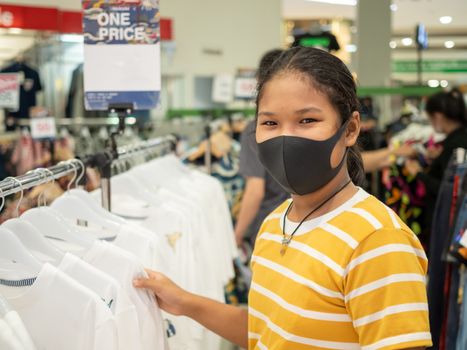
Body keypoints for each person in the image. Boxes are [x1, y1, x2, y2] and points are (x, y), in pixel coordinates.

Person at [134, 47, 431, 350]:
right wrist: (185, 302)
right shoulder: (277, 222)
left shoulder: (378, 240)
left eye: (307, 120)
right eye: (270, 123)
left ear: (350, 129)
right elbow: (265, 330)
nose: (285, 138)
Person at [235, 49, 289, 247]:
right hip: (307, 225)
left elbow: (254, 191)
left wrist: (237, 234)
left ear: (259, 81)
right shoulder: (305, 127)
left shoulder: (256, 129)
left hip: (269, 229)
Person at [405, 88, 467, 197]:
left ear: (438, 116)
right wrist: (439, 156)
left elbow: (450, 190)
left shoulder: (455, 144)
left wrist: (418, 173)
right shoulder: (458, 138)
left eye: (430, 118)